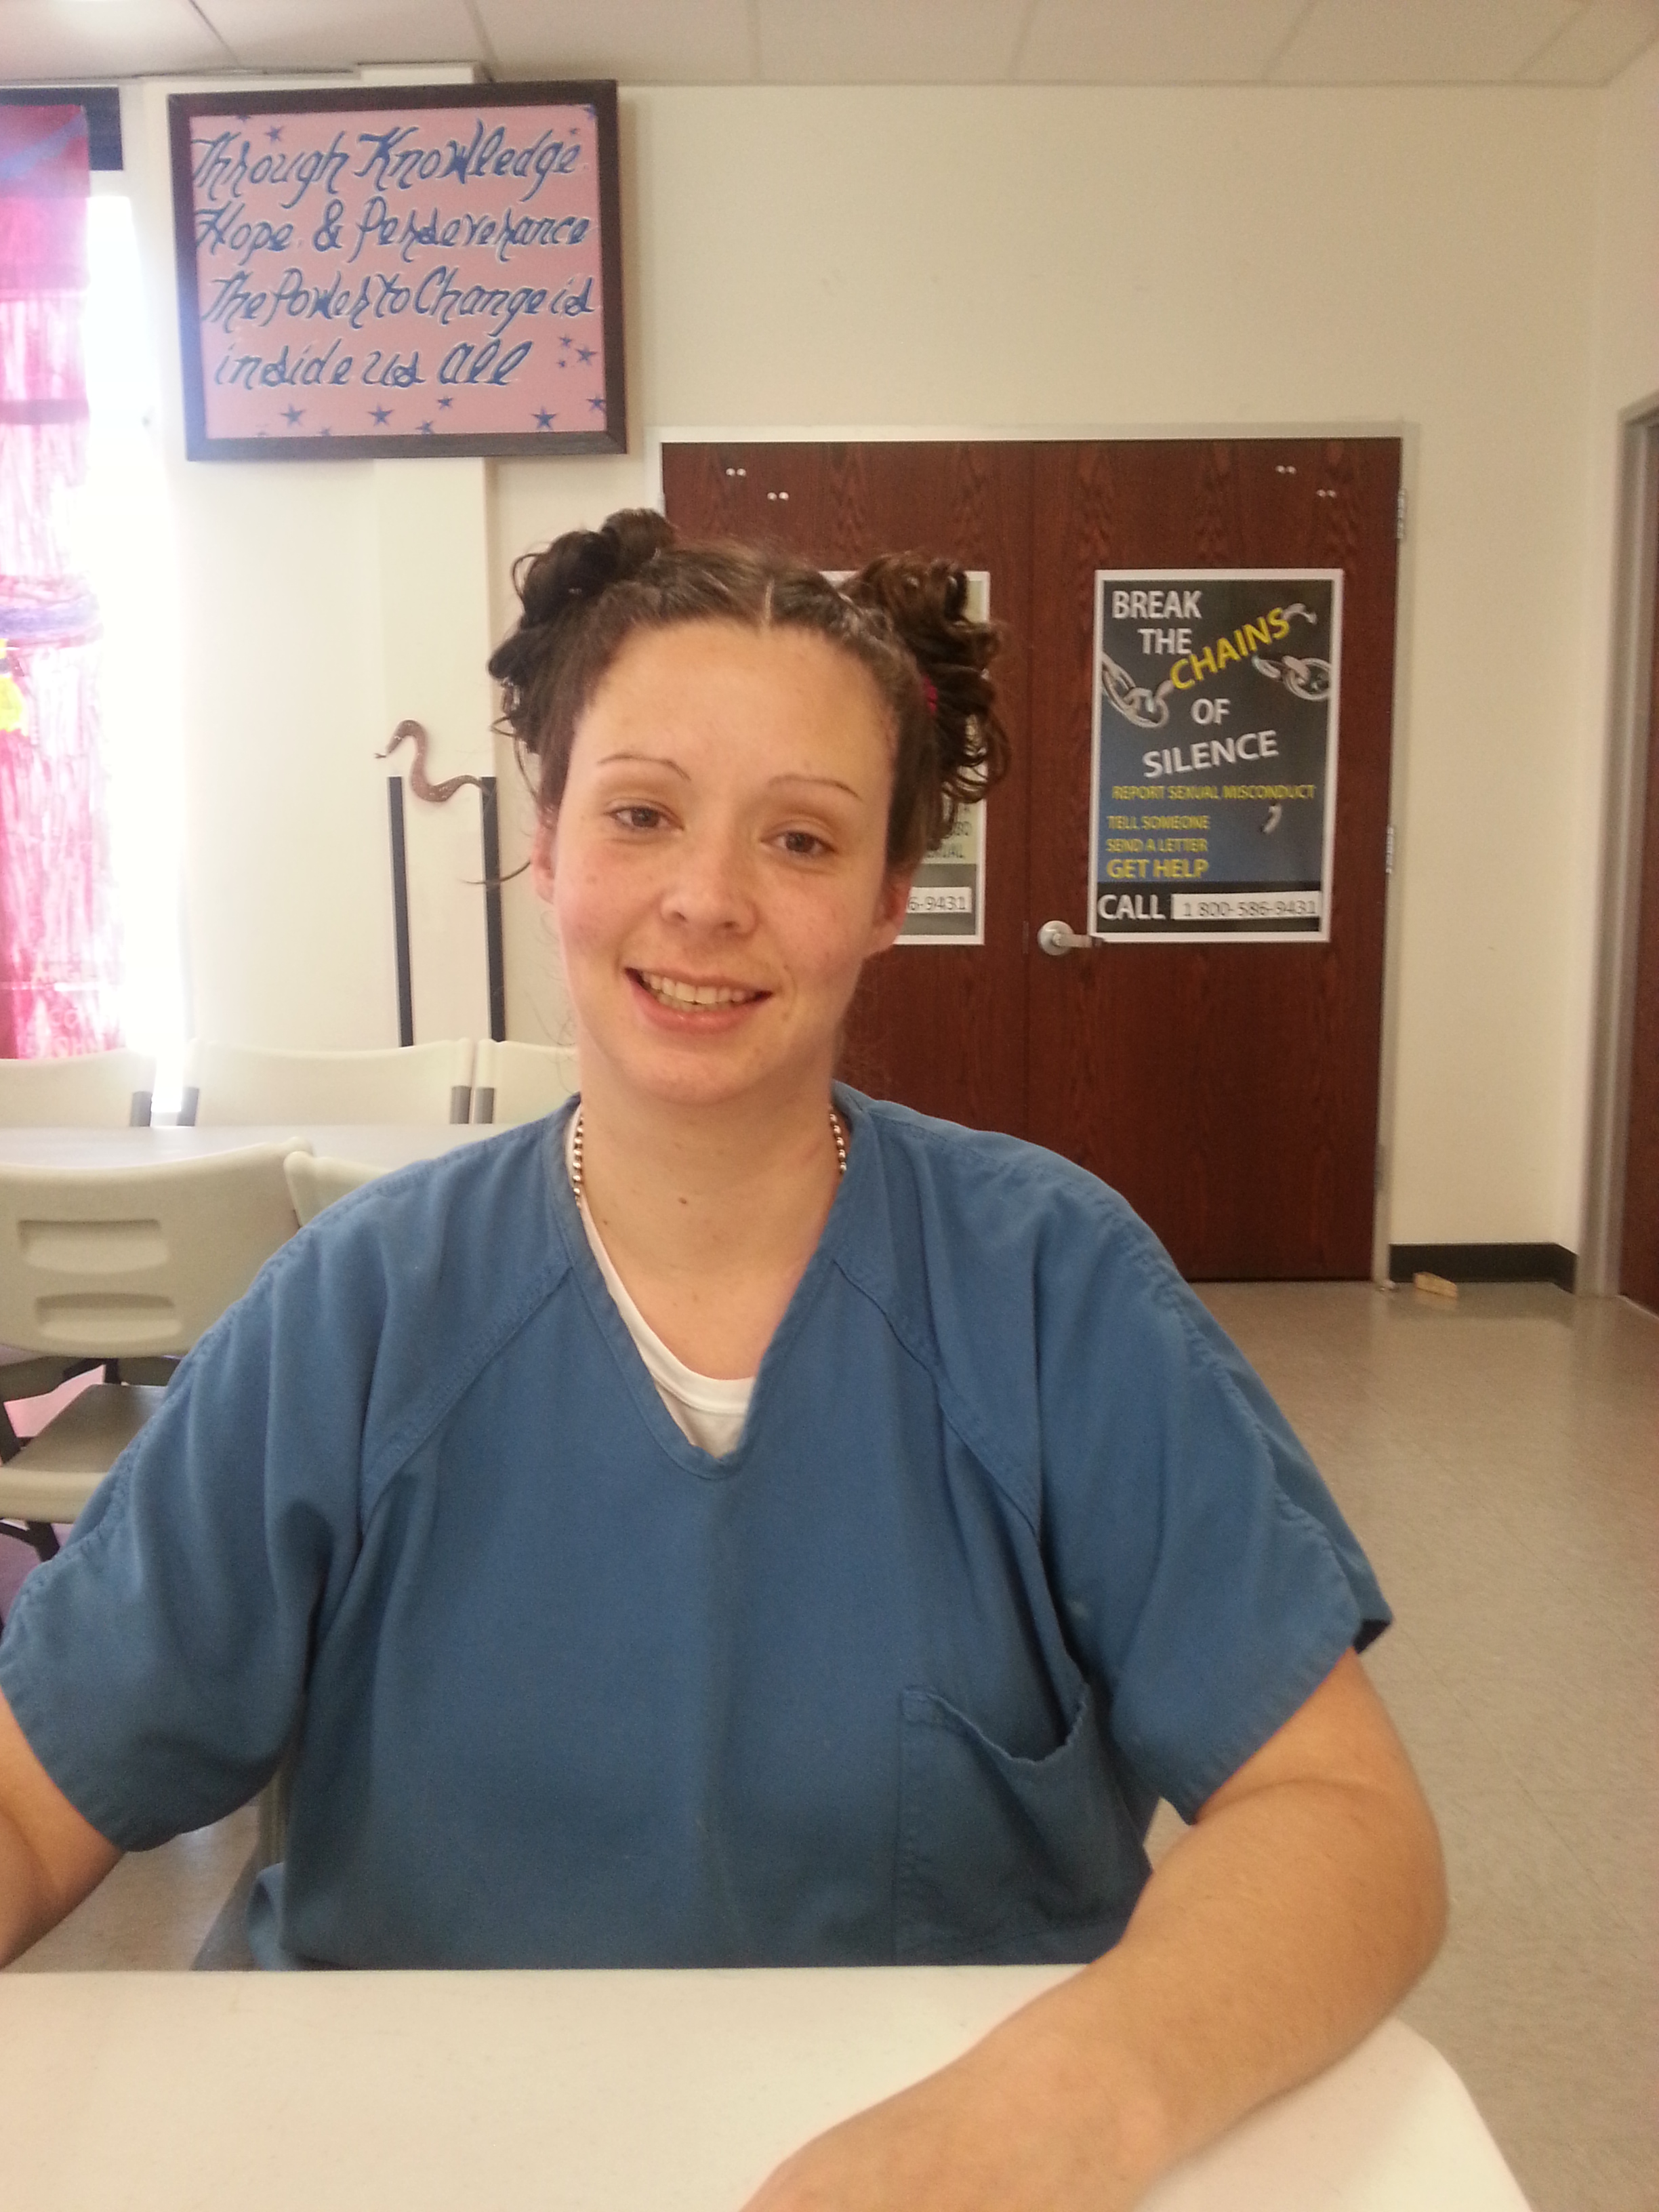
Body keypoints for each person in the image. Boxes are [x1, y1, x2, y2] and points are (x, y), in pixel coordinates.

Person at [0, 510, 1445, 2211]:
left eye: (802, 839)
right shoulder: (354, 1314)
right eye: (641, 813)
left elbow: (1343, 1821)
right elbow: (35, 1798)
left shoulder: (1057, 1293)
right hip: (396, 2153)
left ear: (891, 897)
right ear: (549, 845)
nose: (706, 899)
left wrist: (1060, 2111)